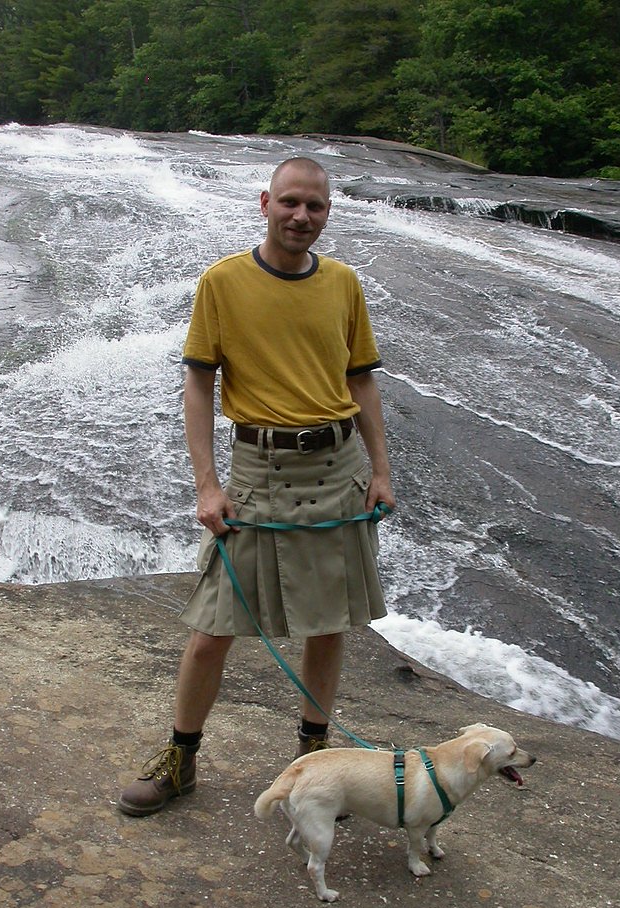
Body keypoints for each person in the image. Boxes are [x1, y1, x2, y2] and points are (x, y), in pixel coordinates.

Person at [118, 156, 396, 817]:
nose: (302, 216)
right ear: (266, 203)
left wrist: (381, 471)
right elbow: (198, 383)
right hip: (258, 473)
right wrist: (206, 485)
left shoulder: (344, 283)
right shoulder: (222, 281)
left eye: (315, 206)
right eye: (290, 202)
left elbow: (360, 380)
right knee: (211, 629)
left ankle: (316, 766)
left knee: (328, 626)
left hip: (336, 471)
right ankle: (180, 760)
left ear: (327, 213)